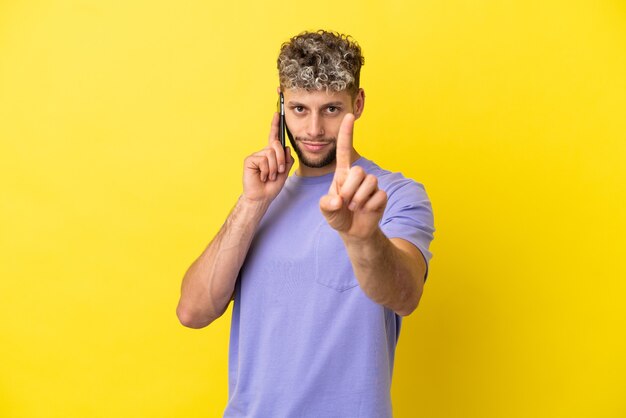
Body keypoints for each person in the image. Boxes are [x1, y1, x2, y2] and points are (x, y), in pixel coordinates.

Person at [176, 30, 435, 418]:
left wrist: (361, 237)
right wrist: (252, 203)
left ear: (357, 103)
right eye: (299, 109)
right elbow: (192, 313)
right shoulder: (261, 199)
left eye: (331, 109)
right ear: (281, 102)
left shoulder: (392, 195)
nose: (313, 130)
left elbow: (405, 294)